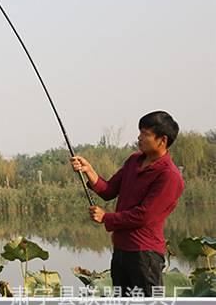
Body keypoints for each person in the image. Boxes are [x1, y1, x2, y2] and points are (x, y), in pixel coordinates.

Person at [70, 111, 184, 297]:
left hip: (145, 254)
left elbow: (144, 215)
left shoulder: (169, 175)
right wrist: (88, 170)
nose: (139, 138)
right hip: (121, 250)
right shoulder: (134, 161)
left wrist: (106, 217)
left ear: (162, 140)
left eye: (145, 134)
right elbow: (108, 190)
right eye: (140, 132)